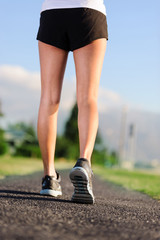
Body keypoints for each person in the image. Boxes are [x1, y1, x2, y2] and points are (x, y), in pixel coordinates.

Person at [36, 0, 108, 204]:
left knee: (48, 98)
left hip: (52, 12)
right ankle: (84, 161)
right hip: (89, 11)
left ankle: (49, 177)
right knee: (87, 97)